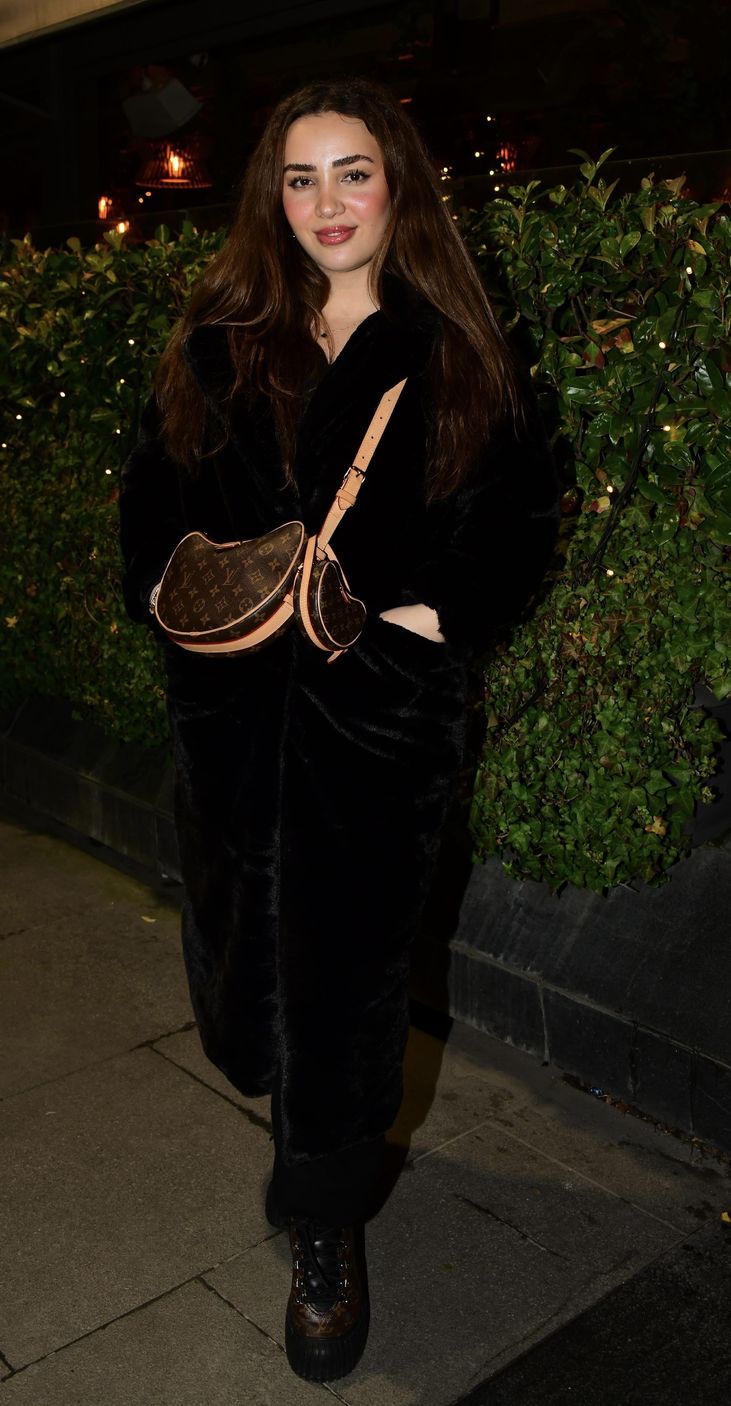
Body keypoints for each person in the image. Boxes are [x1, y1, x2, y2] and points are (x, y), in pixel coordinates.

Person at [119, 76, 559, 1384]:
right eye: (300, 177)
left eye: (352, 172)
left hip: (376, 722)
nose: (327, 202)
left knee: (347, 985)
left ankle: (326, 1224)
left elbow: (519, 518)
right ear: (272, 196)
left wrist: (428, 621)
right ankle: (302, 1129)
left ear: (396, 183)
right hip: (234, 717)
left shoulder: (457, 347)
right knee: (246, 968)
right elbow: (150, 507)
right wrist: (172, 597)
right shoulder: (221, 339)